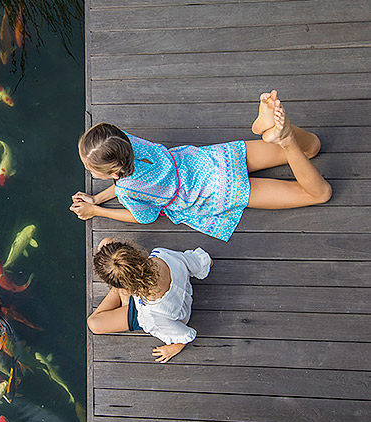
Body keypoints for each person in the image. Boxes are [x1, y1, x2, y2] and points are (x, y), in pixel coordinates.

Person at [70, 91, 332, 241]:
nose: (91, 173)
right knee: (313, 146)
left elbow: (144, 217)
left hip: (220, 191)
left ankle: (285, 140)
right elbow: (125, 179)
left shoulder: (127, 190)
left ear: (114, 172)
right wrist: (96, 198)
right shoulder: (125, 140)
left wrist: (97, 211)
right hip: (214, 160)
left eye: (93, 171)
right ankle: (270, 129)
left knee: (319, 194)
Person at [87, 238, 210, 363]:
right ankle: (122, 276)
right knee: (106, 243)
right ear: (135, 253)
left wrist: (175, 347)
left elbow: (184, 335)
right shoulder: (160, 254)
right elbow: (204, 263)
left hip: (152, 307)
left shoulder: (152, 316)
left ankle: (122, 282)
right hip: (155, 295)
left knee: (94, 324)